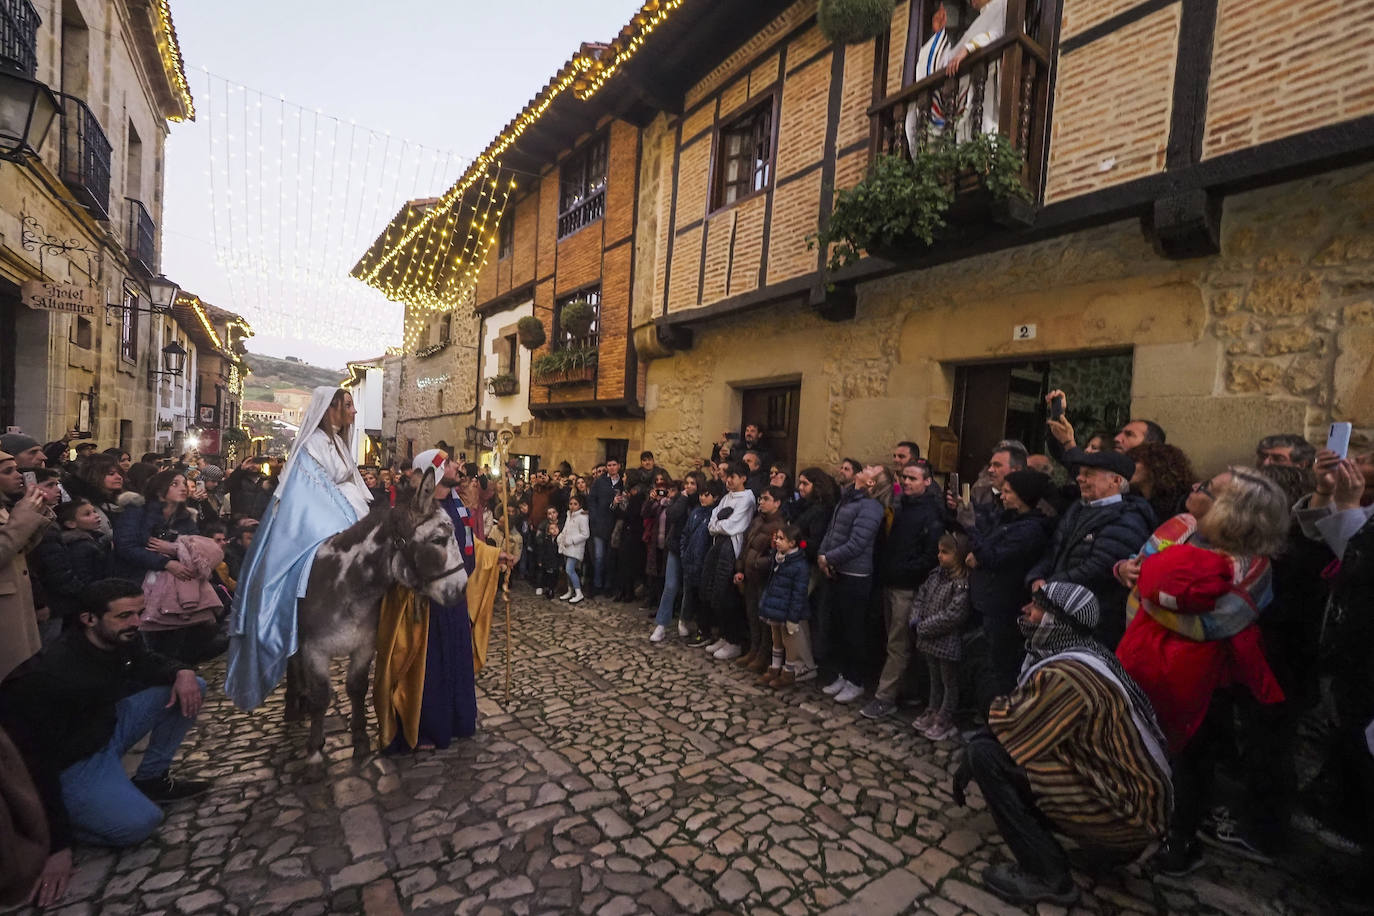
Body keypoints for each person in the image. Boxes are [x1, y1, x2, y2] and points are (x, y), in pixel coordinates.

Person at [953, 582, 1171, 906]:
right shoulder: (1084, 653)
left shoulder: (1070, 673)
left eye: (1038, 607)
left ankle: (1048, 875)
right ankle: (1098, 851)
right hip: (1135, 805)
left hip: (1128, 814)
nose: (1027, 610)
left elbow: (1007, 724)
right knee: (999, 749)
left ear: (1057, 622)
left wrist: (982, 666)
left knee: (986, 757)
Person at [1115, 468, 1289, 873]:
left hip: (1198, 684)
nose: (1196, 488)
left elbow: (1218, 624)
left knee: (1187, 761)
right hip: (1139, 659)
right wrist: (1126, 572)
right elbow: (1137, 563)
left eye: (1209, 489)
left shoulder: (1252, 568)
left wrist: (1149, 597)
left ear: (1234, 512)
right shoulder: (1183, 528)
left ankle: (1180, 839)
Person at [0, 579, 207, 907]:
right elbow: (35, 761)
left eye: (139, 613)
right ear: (89, 619)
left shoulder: (121, 639)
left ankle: (151, 779)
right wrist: (56, 845)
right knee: (140, 824)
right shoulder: (51, 675)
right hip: (72, 761)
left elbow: (148, 663)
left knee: (193, 683)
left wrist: (181, 671)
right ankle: (78, 817)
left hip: (107, 727)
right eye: (125, 616)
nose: (136, 623)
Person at [225, 388, 372, 711]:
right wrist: (349, 520)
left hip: (344, 515)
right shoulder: (311, 445)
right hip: (314, 522)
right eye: (348, 405)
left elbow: (349, 483)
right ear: (331, 408)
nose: (353, 412)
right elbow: (312, 492)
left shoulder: (338, 442)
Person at [375, 454, 501, 752]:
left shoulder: (457, 501)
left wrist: (495, 556)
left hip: (454, 600)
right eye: (449, 463)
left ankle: (457, 721)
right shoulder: (415, 510)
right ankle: (428, 728)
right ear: (434, 471)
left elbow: (464, 543)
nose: (458, 466)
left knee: (456, 661)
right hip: (428, 603)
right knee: (431, 669)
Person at [1027, 448, 1156, 648]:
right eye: (1080, 473)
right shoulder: (1078, 509)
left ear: (1115, 481)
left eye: (1089, 474)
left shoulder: (1128, 518)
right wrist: (1037, 578)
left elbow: (1100, 567)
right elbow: (1053, 551)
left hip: (1095, 624)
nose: (1079, 479)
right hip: (1060, 612)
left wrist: (1048, 588)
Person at [961, 469, 1056, 700]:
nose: (1002, 496)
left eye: (1007, 492)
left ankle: (996, 720)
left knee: (998, 668)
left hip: (1004, 607)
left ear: (1023, 496)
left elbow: (994, 558)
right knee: (982, 663)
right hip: (987, 602)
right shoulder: (1009, 519)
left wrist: (971, 529)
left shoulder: (1030, 530)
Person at [863, 461, 945, 720]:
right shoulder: (900, 507)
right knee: (895, 641)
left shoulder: (931, 514)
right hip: (890, 582)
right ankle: (907, 691)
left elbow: (929, 555)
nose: (907, 482)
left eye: (913, 478)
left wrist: (904, 572)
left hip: (908, 588)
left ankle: (884, 697)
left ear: (927, 482)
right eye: (904, 478)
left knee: (898, 644)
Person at [818, 465, 885, 704]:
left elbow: (857, 542)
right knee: (838, 627)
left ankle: (855, 680)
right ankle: (842, 674)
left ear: (872, 483)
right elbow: (832, 530)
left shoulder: (871, 507)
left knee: (853, 630)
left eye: (871, 469)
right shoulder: (847, 499)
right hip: (836, 570)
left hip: (855, 575)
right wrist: (822, 555)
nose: (865, 467)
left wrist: (829, 557)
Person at [910, 532, 972, 740]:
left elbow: (953, 615)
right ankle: (932, 709)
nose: (939, 556)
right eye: (939, 551)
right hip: (929, 640)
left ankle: (945, 717)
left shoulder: (961, 583)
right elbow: (921, 596)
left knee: (948, 682)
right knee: (934, 679)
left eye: (945, 552)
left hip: (946, 642)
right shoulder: (935, 575)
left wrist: (925, 626)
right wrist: (916, 617)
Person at [0, 453, 51, 680]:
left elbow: (17, 550)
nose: (18, 475)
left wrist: (36, 513)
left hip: (17, 607)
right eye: (7, 471)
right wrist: (22, 518)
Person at [30, 500, 112, 638]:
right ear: (70, 523)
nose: (95, 516)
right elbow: (84, 577)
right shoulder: (80, 546)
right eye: (87, 514)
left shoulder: (92, 540)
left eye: (94, 511)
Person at [703, 462, 756, 660]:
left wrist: (719, 524)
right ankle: (724, 635)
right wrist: (719, 524)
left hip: (732, 550)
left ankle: (734, 640)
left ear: (743, 478)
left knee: (728, 595)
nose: (729, 480)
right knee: (715, 592)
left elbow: (733, 526)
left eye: (733, 476)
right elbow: (712, 522)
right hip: (718, 546)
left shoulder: (747, 499)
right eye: (728, 476)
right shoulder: (726, 498)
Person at [734, 486, 788, 672]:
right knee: (751, 614)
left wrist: (757, 563)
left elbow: (775, 554)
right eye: (761, 499)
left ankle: (763, 655)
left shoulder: (779, 525)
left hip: (763, 577)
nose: (762, 502)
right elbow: (746, 545)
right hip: (749, 575)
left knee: (763, 618)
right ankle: (754, 649)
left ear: (777, 503)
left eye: (766, 499)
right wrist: (740, 567)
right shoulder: (757, 521)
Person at [757, 524, 815, 686]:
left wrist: (793, 617)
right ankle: (774, 667)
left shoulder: (799, 565)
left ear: (793, 543)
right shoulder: (778, 558)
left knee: (788, 640)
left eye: (781, 539)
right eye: (777, 538)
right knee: (776, 637)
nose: (777, 541)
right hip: (775, 606)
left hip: (788, 610)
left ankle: (789, 671)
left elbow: (799, 594)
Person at [651, 472, 701, 643]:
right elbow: (671, 515)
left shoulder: (701, 503)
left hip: (692, 550)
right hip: (675, 546)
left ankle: (683, 620)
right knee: (670, 585)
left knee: (688, 587)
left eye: (693, 483)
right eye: (687, 483)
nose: (689, 486)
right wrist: (683, 499)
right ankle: (661, 625)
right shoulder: (680, 499)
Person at [681, 480, 723, 648]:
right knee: (695, 597)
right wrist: (685, 554)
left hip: (705, 564)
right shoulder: (696, 512)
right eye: (701, 494)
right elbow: (685, 534)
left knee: (704, 599)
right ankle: (699, 628)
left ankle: (705, 631)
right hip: (692, 563)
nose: (703, 498)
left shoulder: (715, 514)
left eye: (707, 495)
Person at [1127, 442, 1195, 525]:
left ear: (1155, 464)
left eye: (1135, 461)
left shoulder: (1180, 503)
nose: (1127, 466)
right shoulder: (1132, 500)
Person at [587, 459, 623, 598]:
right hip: (600, 524)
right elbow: (592, 500)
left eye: (614, 464)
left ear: (619, 466)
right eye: (609, 465)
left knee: (611, 557)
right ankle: (597, 584)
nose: (612, 467)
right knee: (599, 556)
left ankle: (608, 585)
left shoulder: (622, 482)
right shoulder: (600, 481)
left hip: (614, 526)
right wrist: (594, 517)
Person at [556, 495, 589, 604]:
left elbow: (585, 534)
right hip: (566, 546)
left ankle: (579, 593)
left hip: (575, 548)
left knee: (569, 569)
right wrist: (560, 537)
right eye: (571, 504)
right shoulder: (569, 515)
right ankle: (570, 590)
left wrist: (572, 540)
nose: (572, 506)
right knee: (568, 570)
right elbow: (566, 528)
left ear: (580, 505)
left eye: (575, 504)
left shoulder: (582, 517)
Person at [533, 506, 562, 599]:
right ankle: (540, 585)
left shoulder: (562, 524)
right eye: (549, 513)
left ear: (557, 513)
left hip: (557, 551)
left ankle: (553, 587)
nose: (552, 515)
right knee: (542, 570)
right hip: (545, 549)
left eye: (554, 512)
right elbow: (538, 538)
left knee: (554, 572)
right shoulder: (543, 524)